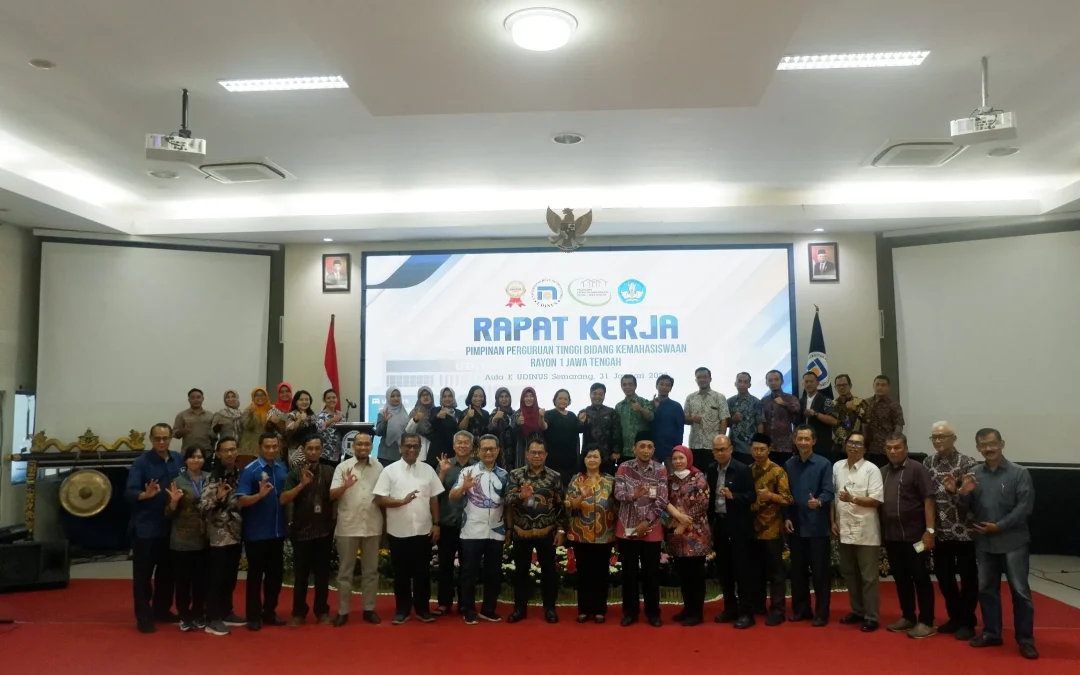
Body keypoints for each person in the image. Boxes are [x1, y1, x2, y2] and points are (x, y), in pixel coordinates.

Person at [957, 428, 1037, 660]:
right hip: (985, 543)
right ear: (977, 448)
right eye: (983, 445)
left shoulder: (1019, 473)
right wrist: (963, 494)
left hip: (1014, 542)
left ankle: (1025, 640)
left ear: (1002, 444)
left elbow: (1024, 508)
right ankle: (992, 633)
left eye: (992, 443)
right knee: (986, 590)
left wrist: (999, 526)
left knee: (1020, 592)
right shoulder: (973, 474)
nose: (988, 448)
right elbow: (965, 509)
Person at [372, 432, 443, 624]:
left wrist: (436, 523)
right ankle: (402, 610)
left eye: (415, 446)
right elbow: (379, 499)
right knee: (401, 574)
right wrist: (401, 502)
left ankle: (422, 609)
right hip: (398, 530)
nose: (412, 449)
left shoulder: (428, 470)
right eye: (408, 446)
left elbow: (434, 498)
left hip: (423, 530)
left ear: (420, 449)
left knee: (423, 573)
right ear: (400, 448)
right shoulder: (390, 471)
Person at [923, 421, 979, 641]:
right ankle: (955, 617)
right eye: (934, 437)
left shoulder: (967, 463)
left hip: (964, 531)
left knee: (968, 578)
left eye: (942, 436)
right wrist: (929, 529)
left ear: (953, 438)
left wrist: (956, 491)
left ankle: (967, 621)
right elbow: (927, 497)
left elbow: (973, 498)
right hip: (940, 532)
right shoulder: (928, 463)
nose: (938, 440)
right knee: (945, 579)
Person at [125, 422, 181, 633]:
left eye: (165, 438)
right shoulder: (141, 463)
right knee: (143, 576)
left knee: (167, 574)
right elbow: (129, 493)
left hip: (171, 527)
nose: (161, 442)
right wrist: (145, 495)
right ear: (151, 439)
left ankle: (162, 610)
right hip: (146, 528)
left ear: (171, 439)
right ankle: (144, 616)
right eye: (157, 438)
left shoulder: (178, 459)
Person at [881, 432, 937, 639]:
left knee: (920, 577)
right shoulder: (883, 472)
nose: (893, 451)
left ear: (905, 448)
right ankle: (908, 617)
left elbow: (928, 500)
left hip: (916, 537)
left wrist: (930, 531)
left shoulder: (917, 469)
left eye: (897, 447)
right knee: (901, 578)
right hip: (892, 537)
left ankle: (927, 621)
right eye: (889, 448)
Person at [505, 439, 566, 624]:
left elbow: (561, 506)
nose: (537, 455)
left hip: (546, 532)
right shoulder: (516, 474)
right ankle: (519, 609)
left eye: (540, 452)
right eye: (533, 452)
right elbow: (507, 499)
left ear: (546, 455)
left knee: (549, 571)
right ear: (527, 454)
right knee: (521, 572)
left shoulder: (555, 476)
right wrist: (520, 495)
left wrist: (561, 529)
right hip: (521, 531)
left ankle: (550, 609)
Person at [451, 434, 509, 625]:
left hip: (496, 531)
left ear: (498, 451)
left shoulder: (504, 475)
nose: (488, 452)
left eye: (492, 448)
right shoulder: (468, 471)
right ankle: (468, 609)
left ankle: (489, 609)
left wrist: (508, 528)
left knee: (493, 573)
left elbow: (508, 504)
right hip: (472, 530)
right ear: (478, 451)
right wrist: (464, 487)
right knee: (469, 572)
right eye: (484, 449)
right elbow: (452, 495)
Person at [613, 430, 668, 627]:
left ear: (654, 449)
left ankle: (653, 613)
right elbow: (618, 494)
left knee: (651, 573)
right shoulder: (624, 468)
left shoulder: (660, 470)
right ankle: (630, 612)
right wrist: (633, 495)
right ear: (634, 448)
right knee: (629, 573)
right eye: (642, 446)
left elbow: (662, 500)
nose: (646, 450)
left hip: (651, 528)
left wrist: (647, 521)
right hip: (627, 527)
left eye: (649, 447)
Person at [279, 434, 335, 626]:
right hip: (301, 530)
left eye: (317, 448)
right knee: (301, 575)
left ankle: (322, 611)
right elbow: (283, 499)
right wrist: (301, 485)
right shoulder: (294, 473)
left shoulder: (329, 471)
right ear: (303, 450)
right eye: (310, 448)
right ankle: (298, 613)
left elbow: (334, 498)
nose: (313, 451)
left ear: (322, 450)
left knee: (322, 575)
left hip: (324, 530)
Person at [330, 432, 384, 628]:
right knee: (345, 573)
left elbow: (384, 495)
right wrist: (345, 486)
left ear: (371, 447)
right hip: (348, 526)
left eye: (366, 444)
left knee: (371, 572)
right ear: (353, 447)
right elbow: (332, 495)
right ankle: (343, 611)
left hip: (372, 525)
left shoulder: (379, 467)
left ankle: (369, 609)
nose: (363, 447)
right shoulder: (343, 467)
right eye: (359, 444)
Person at [831, 432, 883, 632]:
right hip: (844, 529)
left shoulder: (872, 469)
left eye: (858, 443)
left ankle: (871, 616)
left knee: (868, 577)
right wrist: (832, 521)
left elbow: (876, 500)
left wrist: (852, 499)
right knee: (850, 574)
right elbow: (834, 498)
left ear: (865, 449)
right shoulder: (837, 467)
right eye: (850, 442)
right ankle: (857, 610)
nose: (853, 446)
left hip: (865, 531)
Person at [236, 432, 288, 631]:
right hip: (256, 533)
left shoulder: (282, 468)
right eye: (267, 446)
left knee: (275, 577)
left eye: (274, 446)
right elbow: (241, 500)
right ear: (260, 447)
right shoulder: (250, 470)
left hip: (277, 532)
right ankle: (253, 615)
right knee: (255, 576)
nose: (271, 450)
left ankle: (270, 612)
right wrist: (259, 495)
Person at [784, 426, 835, 626]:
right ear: (795, 441)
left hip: (817, 527)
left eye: (807, 439)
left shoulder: (824, 464)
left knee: (820, 573)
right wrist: (786, 517)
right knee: (797, 572)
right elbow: (786, 494)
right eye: (800, 438)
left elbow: (829, 491)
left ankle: (822, 613)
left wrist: (819, 501)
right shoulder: (789, 464)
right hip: (796, 525)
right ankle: (801, 610)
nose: (803, 442)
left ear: (814, 441)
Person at [706, 435, 755, 628]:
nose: (720, 453)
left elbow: (752, 496)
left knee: (742, 570)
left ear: (731, 449)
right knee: (724, 570)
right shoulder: (711, 469)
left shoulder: (743, 469)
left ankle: (746, 613)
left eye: (723, 449)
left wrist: (733, 496)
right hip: (719, 524)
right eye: (716, 450)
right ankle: (730, 608)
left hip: (739, 526)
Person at [200, 437, 246, 636]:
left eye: (233, 449)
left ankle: (226, 611)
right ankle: (212, 618)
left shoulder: (240, 474)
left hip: (235, 533)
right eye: (226, 450)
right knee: (215, 578)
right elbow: (202, 506)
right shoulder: (212, 477)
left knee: (230, 577)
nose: (230, 453)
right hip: (217, 535)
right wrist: (217, 498)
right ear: (218, 454)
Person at [566, 444, 617, 623]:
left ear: (601, 460)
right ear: (584, 459)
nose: (592, 460)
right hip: (581, 533)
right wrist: (581, 495)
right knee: (584, 572)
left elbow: (617, 505)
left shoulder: (610, 480)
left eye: (596, 456)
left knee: (601, 573)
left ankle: (599, 610)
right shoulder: (577, 479)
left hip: (605, 533)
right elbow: (571, 505)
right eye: (589, 456)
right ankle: (584, 609)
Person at [748, 433, 792, 625]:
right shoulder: (748, 470)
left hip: (772, 529)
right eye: (755, 449)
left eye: (762, 449)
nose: (758, 453)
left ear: (769, 450)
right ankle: (758, 606)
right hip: (752, 529)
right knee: (755, 571)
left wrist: (770, 496)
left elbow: (788, 499)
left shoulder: (777, 471)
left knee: (776, 573)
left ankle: (778, 610)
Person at [665, 446, 711, 626]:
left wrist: (683, 522)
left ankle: (696, 613)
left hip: (696, 534)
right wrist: (675, 521)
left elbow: (703, 504)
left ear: (689, 459)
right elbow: (664, 502)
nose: (678, 461)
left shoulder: (699, 478)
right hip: (677, 535)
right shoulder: (670, 480)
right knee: (683, 575)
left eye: (681, 458)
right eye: (675, 458)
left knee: (696, 575)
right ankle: (687, 608)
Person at [165, 445, 209, 632]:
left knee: (201, 581)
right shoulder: (177, 481)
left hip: (204, 538)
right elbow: (168, 514)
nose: (196, 460)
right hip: (182, 539)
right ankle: (184, 615)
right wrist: (174, 502)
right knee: (183, 581)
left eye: (199, 457)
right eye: (192, 457)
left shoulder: (210, 479)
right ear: (186, 460)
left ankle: (198, 613)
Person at [434, 431, 476, 616]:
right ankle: (444, 603)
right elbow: (434, 493)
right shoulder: (445, 464)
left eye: (466, 443)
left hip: (470, 523)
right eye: (459, 442)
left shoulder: (478, 466)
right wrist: (442, 473)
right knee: (445, 565)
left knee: (468, 567)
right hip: (448, 521)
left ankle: (465, 604)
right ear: (453, 446)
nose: (462, 445)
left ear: (471, 446)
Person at [684, 367, 729, 471]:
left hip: (713, 445)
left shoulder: (719, 397)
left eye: (704, 377)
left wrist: (720, 442)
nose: (702, 379)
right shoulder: (690, 397)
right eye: (699, 377)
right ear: (696, 380)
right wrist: (692, 418)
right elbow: (685, 419)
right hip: (695, 444)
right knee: (696, 475)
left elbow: (724, 420)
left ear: (710, 379)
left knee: (713, 475)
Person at [544, 389, 581, 490]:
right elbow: (544, 426)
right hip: (553, 460)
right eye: (560, 398)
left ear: (569, 401)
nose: (563, 401)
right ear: (555, 400)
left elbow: (579, 429)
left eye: (565, 399)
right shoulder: (549, 414)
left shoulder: (572, 415)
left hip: (570, 461)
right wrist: (540, 417)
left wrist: (582, 420)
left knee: (569, 489)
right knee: (553, 489)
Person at [762, 370, 801, 463]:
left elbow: (797, 411)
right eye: (770, 380)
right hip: (768, 446)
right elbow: (761, 422)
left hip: (785, 446)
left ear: (782, 381)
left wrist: (784, 404)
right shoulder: (764, 401)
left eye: (776, 379)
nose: (773, 382)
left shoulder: (790, 398)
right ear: (766, 383)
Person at [613, 374, 653, 464]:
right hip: (624, 451)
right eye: (624, 384)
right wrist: (616, 450)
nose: (627, 387)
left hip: (641, 451)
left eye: (630, 384)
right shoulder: (619, 406)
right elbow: (616, 429)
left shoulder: (643, 401)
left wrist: (641, 409)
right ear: (621, 386)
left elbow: (651, 417)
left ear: (635, 386)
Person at [579, 383, 618, 474]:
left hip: (607, 455)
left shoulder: (611, 412)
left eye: (601, 394)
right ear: (590, 395)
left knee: (607, 480)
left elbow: (616, 432)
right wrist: (581, 422)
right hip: (589, 455)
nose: (597, 396)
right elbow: (578, 430)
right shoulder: (584, 412)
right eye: (595, 393)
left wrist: (616, 451)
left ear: (604, 396)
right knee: (588, 480)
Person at [799, 372, 838, 462]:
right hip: (803, 445)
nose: (809, 384)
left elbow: (834, 421)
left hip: (822, 446)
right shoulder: (800, 401)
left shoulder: (826, 400)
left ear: (817, 383)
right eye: (806, 381)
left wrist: (815, 414)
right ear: (803, 383)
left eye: (811, 381)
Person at [864, 376, 905, 462]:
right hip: (867, 449)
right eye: (877, 384)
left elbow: (899, 426)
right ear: (873, 386)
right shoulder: (866, 403)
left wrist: (893, 444)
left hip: (886, 450)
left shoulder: (894, 405)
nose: (880, 387)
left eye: (883, 385)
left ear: (888, 387)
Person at [727, 372, 764, 464]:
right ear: (735, 383)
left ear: (749, 385)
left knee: (748, 471)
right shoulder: (729, 402)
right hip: (732, 446)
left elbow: (760, 423)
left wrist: (759, 444)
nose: (742, 384)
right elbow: (725, 423)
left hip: (749, 447)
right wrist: (732, 419)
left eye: (745, 382)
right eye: (739, 381)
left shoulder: (756, 402)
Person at [650, 374, 686, 466]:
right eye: (661, 384)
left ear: (670, 388)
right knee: (653, 474)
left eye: (667, 385)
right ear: (656, 386)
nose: (664, 387)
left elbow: (680, 429)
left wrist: (678, 449)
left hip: (670, 450)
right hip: (653, 450)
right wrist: (655, 409)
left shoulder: (676, 406)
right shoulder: (650, 404)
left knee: (672, 474)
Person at [831, 374, 869, 459]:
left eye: (844, 385)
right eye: (838, 386)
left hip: (856, 444)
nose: (841, 388)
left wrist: (856, 409)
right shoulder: (832, 405)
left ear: (850, 386)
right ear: (835, 388)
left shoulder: (859, 402)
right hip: (838, 446)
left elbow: (868, 419)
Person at [427, 387, 463, 470]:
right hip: (438, 452)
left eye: (450, 396)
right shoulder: (436, 410)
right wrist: (437, 417)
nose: (447, 399)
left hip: (454, 452)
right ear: (441, 398)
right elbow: (432, 423)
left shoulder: (459, 413)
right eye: (444, 396)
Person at [174, 388, 214, 457]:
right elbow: (174, 434)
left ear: (203, 399)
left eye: (198, 397)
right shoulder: (182, 415)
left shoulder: (210, 415)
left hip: (206, 452)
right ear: (189, 400)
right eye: (193, 398)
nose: (196, 400)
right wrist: (184, 430)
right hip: (188, 453)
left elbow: (214, 435)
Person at [514, 387, 546, 469]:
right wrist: (518, 424)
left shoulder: (541, 412)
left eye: (531, 396)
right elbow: (513, 434)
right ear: (522, 398)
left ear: (535, 398)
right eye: (526, 396)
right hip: (522, 449)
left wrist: (541, 417)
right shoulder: (517, 414)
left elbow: (544, 428)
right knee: (522, 472)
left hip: (538, 448)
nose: (529, 398)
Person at [375, 387, 409, 466]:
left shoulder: (404, 413)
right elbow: (378, 432)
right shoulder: (383, 412)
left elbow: (407, 432)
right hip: (386, 454)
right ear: (388, 397)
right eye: (392, 396)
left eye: (398, 396)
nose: (396, 398)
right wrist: (385, 421)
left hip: (401, 454)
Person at [239, 387, 273, 466]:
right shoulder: (249, 409)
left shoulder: (270, 409)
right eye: (257, 395)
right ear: (253, 397)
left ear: (266, 396)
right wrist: (251, 414)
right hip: (250, 449)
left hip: (265, 447)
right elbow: (246, 426)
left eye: (262, 395)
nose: (260, 397)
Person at [404, 386, 436, 464]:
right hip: (419, 452)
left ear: (431, 397)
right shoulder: (414, 412)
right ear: (419, 398)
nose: (425, 397)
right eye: (422, 395)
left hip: (434, 451)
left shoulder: (436, 411)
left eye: (427, 394)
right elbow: (408, 432)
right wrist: (415, 420)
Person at [284, 390, 317, 465]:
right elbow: (289, 431)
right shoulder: (292, 415)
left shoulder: (312, 415)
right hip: (296, 452)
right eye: (301, 400)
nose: (304, 402)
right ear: (296, 402)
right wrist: (299, 420)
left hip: (311, 451)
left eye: (307, 399)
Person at [488, 387, 517, 470]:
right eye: (501, 397)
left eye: (506, 396)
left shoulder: (515, 413)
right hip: (501, 453)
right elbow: (490, 430)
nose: (504, 399)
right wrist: (495, 419)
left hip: (514, 451)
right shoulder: (494, 413)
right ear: (497, 399)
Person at [314, 389, 344, 464]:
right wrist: (332, 420)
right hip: (325, 454)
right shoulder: (321, 415)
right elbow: (318, 429)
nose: (331, 400)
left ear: (337, 399)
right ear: (324, 400)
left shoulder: (340, 414)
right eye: (328, 398)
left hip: (338, 453)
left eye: (334, 397)